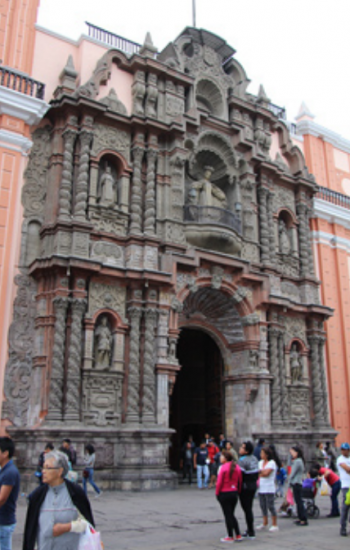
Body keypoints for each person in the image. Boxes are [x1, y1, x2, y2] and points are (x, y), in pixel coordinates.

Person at [23, 450, 94, 550]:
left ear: (60, 471)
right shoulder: (37, 496)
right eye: (43, 467)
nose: (43, 471)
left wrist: (68, 527)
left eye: (48, 468)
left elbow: (88, 525)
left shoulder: (75, 493)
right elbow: (30, 531)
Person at [216, 450, 242, 543]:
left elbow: (219, 482)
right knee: (231, 514)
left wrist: (217, 493)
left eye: (221, 456)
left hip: (224, 492)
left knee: (228, 515)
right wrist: (237, 491)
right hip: (234, 492)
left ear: (225, 458)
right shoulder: (237, 467)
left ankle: (230, 535)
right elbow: (240, 481)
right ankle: (238, 534)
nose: (220, 458)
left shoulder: (223, 468)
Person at [0, 437, 20, 550]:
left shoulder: (10, 472)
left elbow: (2, 498)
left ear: (5, 453)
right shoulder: (4, 470)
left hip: (4, 522)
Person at [238, 440, 259, 540]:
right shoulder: (254, 458)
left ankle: (251, 531)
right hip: (253, 486)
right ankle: (250, 530)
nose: (240, 449)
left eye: (242, 447)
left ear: (246, 451)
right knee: (249, 508)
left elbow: (240, 476)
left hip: (245, 487)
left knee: (247, 509)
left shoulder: (242, 461)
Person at [256, 447, 278, 531]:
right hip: (261, 486)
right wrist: (261, 472)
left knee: (270, 505)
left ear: (267, 455)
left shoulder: (272, 463)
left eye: (262, 453)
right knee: (263, 505)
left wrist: (260, 472)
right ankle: (265, 522)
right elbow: (259, 473)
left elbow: (266, 473)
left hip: (269, 486)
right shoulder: (260, 462)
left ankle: (274, 524)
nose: (261, 455)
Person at [289, 446, 308, 526]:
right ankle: (301, 518)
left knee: (299, 502)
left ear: (296, 453)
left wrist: (289, 481)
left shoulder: (297, 461)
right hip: (298, 482)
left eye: (292, 452)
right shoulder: (300, 461)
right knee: (298, 501)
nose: (291, 454)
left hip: (296, 483)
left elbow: (292, 473)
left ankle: (303, 518)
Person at [336, 442, 350, 536]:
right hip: (345, 486)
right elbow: (347, 469)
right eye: (342, 449)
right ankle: (343, 527)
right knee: (345, 507)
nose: (344, 451)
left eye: (346, 449)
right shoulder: (340, 459)